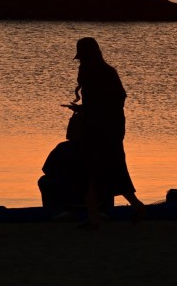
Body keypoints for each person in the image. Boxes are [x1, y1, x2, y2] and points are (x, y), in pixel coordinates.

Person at [67, 37, 146, 230]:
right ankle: (133, 206)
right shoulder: (106, 72)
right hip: (109, 130)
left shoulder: (95, 73)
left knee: (91, 173)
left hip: (100, 132)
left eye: (82, 58)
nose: (80, 62)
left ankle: (97, 217)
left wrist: (85, 110)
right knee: (110, 171)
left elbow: (104, 103)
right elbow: (114, 100)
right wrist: (85, 109)